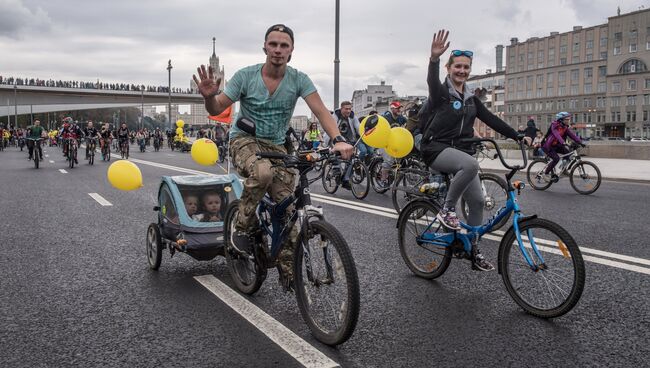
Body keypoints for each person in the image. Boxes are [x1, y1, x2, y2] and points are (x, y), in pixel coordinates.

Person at [193, 23, 353, 290]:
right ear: (265, 47)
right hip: (245, 140)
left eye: (284, 45)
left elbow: (323, 112)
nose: (278, 50)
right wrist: (209, 98)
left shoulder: (299, 79)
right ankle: (242, 227)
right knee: (262, 173)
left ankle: (288, 272)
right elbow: (218, 106)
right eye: (273, 44)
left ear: (291, 51)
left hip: (278, 147)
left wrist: (338, 140)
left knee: (288, 209)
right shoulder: (246, 76)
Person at [419, 30, 530, 271]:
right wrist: (434, 59)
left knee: (478, 202)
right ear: (449, 69)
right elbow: (431, 82)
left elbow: (492, 120)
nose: (462, 71)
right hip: (435, 149)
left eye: (466, 68)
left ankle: (472, 249)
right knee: (471, 165)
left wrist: (517, 135)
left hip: (460, 151)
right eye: (457, 66)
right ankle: (447, 210)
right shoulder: (441, 94)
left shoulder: (471, 100)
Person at [541, 112, 585, 180]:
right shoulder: (554, 125)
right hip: (548, 146)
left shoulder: (565, 127)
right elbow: (556, 135)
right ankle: (545, 173)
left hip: (557, 146)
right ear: (561, 120)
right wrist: (563, 142)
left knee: (569, 156)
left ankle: (563, 170)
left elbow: (572, 135)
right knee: (556, 159)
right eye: (566, 119)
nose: (568, 121)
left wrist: (580, 142)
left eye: (569, 119)